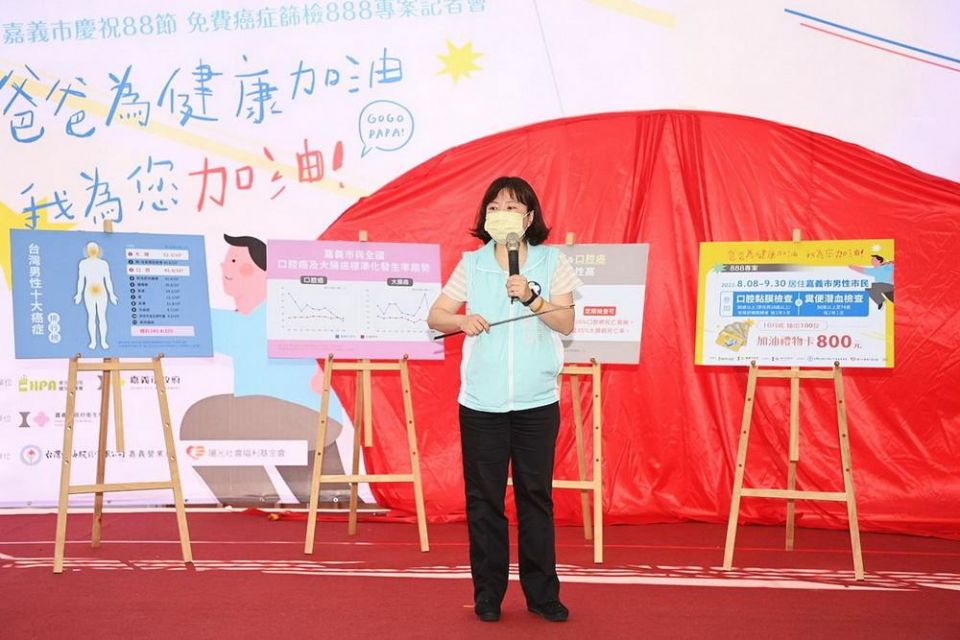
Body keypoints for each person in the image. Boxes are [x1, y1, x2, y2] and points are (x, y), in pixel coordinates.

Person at [427, 176, 582, 623]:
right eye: (494, 207)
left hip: (536, 403)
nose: (502, 214)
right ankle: (488, 594)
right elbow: (436, 315)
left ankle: (542, 594)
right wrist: (462, 321)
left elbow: (567, 323)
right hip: (482, 404)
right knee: (484, 502)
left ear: (529, 217)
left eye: (512, 207)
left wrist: (531, 296)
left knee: (536, 498)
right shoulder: (472, 265)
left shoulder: (553, 261)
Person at [180, 234, 348, 506]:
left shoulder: (271, 315)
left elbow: (200, 322)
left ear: (266, 273)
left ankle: (259, 503)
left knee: (202, 419)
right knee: (331, 501)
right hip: (283, 419)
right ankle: (265, 505)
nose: (227, 269)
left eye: (237, 262)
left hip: (302, 417)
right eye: (227, 262)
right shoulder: (243, 320)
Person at [74, 241, 118, 349]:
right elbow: (81, 280)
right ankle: (93, 342)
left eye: (94, 248)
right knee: (91, 317)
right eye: (91, 249)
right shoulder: (83, 263)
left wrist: (111, 294)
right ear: (88, 251)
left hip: (101, 292)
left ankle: (103, 341)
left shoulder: (103, 263)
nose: (93, 250)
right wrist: (79, 294)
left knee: (102, 317)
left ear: (98, 250)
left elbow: (108, 280)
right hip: (89, 292)